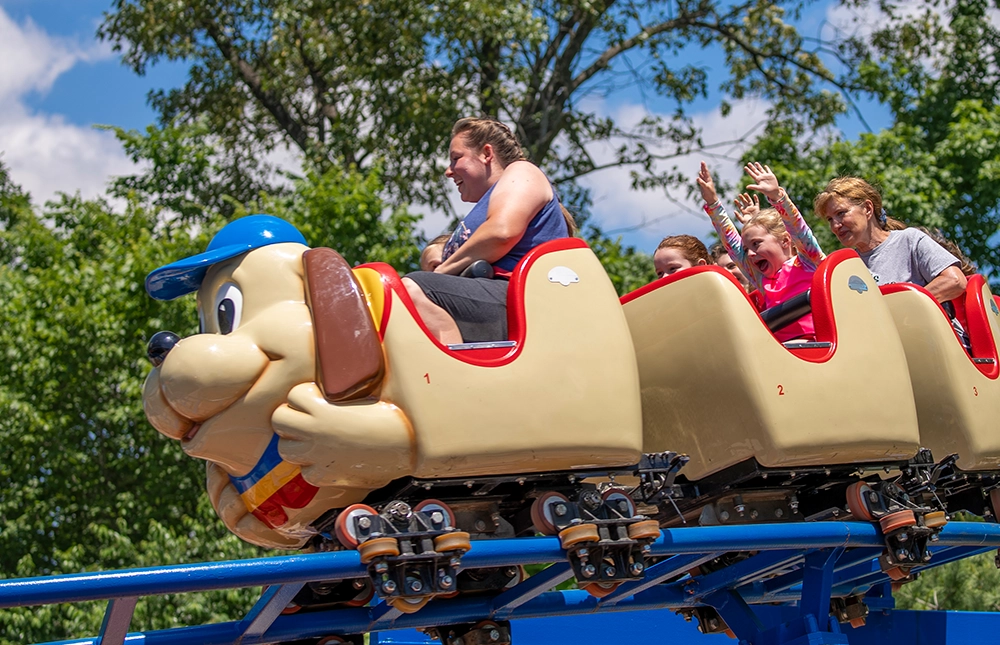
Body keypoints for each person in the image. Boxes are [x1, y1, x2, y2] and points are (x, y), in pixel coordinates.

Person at [402, 117, 574, 344]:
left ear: (486, 154)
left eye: (456, 158)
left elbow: (501, 232)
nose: (448, 171)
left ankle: (455, 372)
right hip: (492, 300)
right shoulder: (485, 209)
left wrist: (438, 276)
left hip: (520, 303)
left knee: (409, 291)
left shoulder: (522, 172)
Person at [698, 161, 827, 342]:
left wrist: (777, 197)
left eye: (756, 244)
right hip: (784, 351)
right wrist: (713, 204)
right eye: (746, 249)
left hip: (818, 344)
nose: (750, 254)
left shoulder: (808, 262)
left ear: (784, 240)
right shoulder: (760, 277)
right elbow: (731, 244)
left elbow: (798, 228)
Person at [812, 177, 967, 303]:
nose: (835, 225)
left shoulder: (909, 240)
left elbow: (954, 281)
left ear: (867, 208)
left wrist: (900, 308)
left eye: (841, 213)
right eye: (830, 219)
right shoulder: (848, 268)